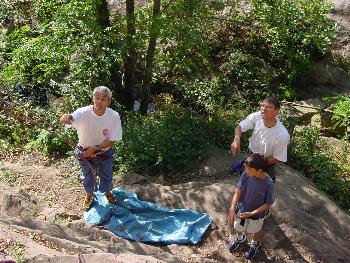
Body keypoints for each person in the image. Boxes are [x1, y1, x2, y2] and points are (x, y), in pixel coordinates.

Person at [60, 86, 122, 211]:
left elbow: (114, 139)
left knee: (106, 174)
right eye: (97, 98)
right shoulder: (82, 113)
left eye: (103, 99)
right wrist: (64, 118)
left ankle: (107, 192)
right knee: (87, 175)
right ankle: (89, 195)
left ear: (109, 102)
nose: (99, 101)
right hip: (84, 151)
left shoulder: (113, 116)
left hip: (104, 151)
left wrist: (96, 148)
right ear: (93, 98)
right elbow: (68, 120)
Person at [226, 153, 275, 260]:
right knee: (238, 226)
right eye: (245, 168)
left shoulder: (268, 183)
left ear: (259, 170)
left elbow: (268, 203)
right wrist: (232, 208)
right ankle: (240, 238)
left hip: (257, 215)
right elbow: (238, 192)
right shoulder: (246, 175)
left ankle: (254, 244)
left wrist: (252, 213)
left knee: (256, 229)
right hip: (242, 209)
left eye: (248, 169)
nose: (246, 171)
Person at [230, 96, 290, 180]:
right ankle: (243, 166)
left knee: (264, 186)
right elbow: (239, 127)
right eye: (262, 105)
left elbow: (277, 158)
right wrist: (236, 139)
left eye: (268, 107)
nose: (263, 109)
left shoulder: (282, 135)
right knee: (245, 181)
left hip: (267, 163)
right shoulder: (257, 116)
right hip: (251, 154)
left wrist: (258, 162)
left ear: (276, 111)